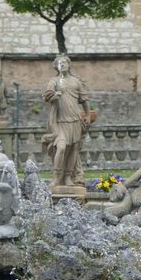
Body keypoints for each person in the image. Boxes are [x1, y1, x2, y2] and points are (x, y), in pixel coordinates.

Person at [41, 55, 90, 189]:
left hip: (75, 120)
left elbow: (84, 100)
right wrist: (55, 95)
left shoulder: (76, 82)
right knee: (61, 147)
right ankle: (57, 177)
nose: (62, 65)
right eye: (59, 63)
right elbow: (47, 96)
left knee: (73, 149)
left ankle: (68, 177)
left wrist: (87, 115)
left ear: (69, 65)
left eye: (64, 62)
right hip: (59, 121)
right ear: (56, 67)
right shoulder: (54, 81)